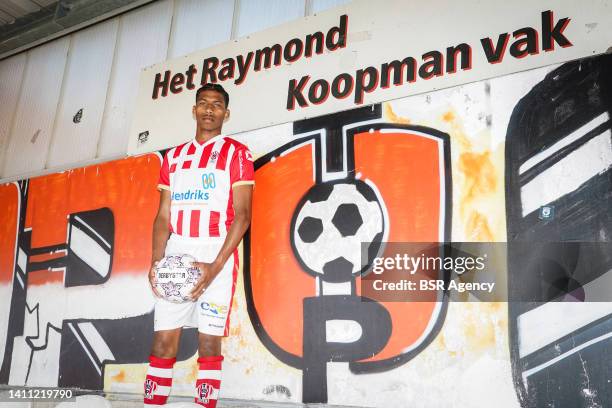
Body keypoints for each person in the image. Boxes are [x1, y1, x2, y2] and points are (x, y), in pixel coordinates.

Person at [144, 83, 254, 407]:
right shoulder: (174, 158)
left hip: (215, 254)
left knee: (208, 344)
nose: (209, 109)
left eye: (217, 105)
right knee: (164, 342)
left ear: (226, 113)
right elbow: (163, 216)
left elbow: (244, 215)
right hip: (177, 254)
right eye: (203, 103)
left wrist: (214, 268)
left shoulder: (237, 153)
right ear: (193, 110)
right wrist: (156, 262)